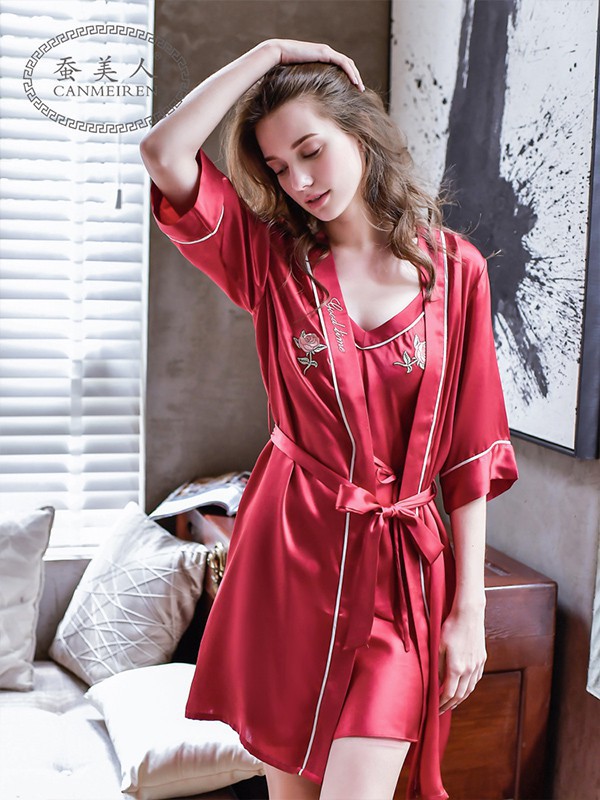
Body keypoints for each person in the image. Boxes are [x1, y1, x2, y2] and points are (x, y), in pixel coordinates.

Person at [140, 39, 518, 800]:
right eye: (279, 168)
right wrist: (269, 54)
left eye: (311, 151)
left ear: (361, 133)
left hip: (400, 577)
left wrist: (469, 608)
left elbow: (470, 452)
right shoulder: (270, 263)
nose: (301, 182)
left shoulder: (458, 272)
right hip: (290, 564)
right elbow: (164, 152)